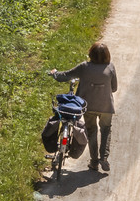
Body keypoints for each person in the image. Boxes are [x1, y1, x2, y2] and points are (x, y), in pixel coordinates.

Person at [49, 42, 119, 172]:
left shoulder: (84, 67)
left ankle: (94, 162)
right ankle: (104, 158)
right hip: (106, 107)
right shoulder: (110, 67)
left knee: (91, 131)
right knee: (105, 130)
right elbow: (114, 88)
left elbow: (65, 76)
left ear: (91, 53)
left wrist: (54, 73)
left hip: (88, 106)